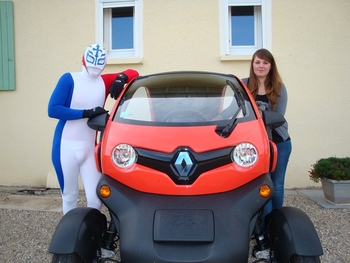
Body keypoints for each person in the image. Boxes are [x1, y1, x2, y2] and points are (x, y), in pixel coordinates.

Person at [48, 43, 139, 214]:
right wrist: (86, 113)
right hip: (65, 147)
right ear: (83, 61)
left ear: (103, 66)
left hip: (90, 148)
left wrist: (120, 78)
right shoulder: (69, 79)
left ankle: (92, 231)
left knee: (96, 198)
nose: (94, 71)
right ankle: (70, 234)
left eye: (98, 68)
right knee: (69, 196)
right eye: (91, 67)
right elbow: (53, 109)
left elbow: (133, 73)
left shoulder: (103, 82)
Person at [242, 48, 292, 217]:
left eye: (265, 62)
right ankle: (262, 227)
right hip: (255, 145)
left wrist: (253, 118)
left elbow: (279, 116)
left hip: (279, 143)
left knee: (276, 185)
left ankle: (276, 225)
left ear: (271, 66)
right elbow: (234, 110)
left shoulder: (278, 87)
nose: (261, 66)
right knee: (261, 185)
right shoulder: (244, 85)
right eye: (258, 62)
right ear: (252, 64)